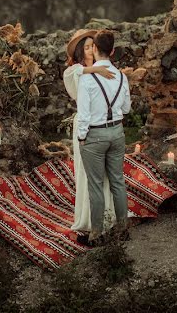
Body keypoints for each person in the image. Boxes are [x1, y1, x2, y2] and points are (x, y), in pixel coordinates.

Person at [75, 30, 130, 244]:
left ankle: (96, 234)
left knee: (96, 185)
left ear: (95, 49)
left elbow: (84, 114)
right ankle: (123, 229)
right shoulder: (122, 76)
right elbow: (126, 107)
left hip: (94, 135)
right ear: (113, 50)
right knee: (118, 181)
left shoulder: (87, 79)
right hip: (117, 132)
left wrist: (82, 138)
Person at [62, 29, 116, 238]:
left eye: (92, 46)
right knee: (87, 171)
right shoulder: (76, 70)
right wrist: (95, 70)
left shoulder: (102, 68)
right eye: (85, 47)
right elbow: (71, 74)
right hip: (84, 124)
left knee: (105, 171)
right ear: (79, 52)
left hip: (103, 122)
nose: (90, 50)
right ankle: (87, 217)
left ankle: (107, 215)